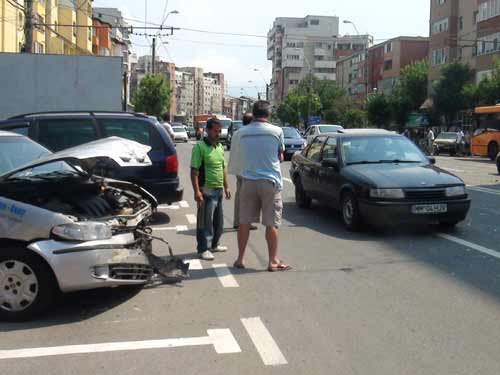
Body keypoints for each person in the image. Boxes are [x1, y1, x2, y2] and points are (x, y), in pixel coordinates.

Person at [229, 101, 292, 272]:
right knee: (271, 224)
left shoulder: (241, 132)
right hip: (270, 182)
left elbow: (238, 155)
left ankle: (240, 258)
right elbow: (280, 156)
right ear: (268, 114)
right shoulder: (277, 131)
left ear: (254, 113)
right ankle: (272, 261)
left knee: (244, 222)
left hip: (248, 181)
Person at [190, 118, 231, 261]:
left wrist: (226, 187)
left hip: (218, 189)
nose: (218, 133)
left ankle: (214, 244)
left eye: (219, 131)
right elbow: (194, 171)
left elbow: (223, 168)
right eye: (215, 131)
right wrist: (197, 191)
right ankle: (203, 248)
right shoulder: (199, 147)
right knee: (204, 221)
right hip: (205, 190)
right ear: (207, 130)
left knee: (218, 222)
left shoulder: (219, 147)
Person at [228, 112, 258, 230]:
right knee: (248, 197)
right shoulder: (249, 133)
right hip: (247, 169)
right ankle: (246, 222)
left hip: (238, 169)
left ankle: (237, 221)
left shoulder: (237, 133)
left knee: (239, 195)